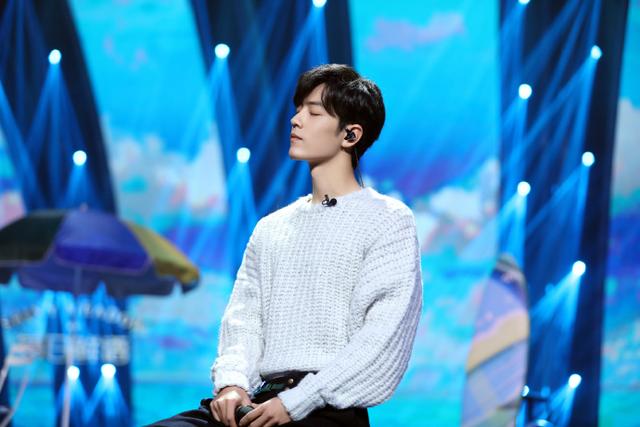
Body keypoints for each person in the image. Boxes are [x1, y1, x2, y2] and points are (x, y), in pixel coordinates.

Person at [146, 63, 423, 427]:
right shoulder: (271, 227)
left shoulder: (388, 219)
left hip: (326, 409)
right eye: (297, 109)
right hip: (256, 402)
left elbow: (380, 339)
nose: (296, 120)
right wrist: (232, 384)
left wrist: (298, 401)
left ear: (350, 134)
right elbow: (244, 319)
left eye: (314, 112)